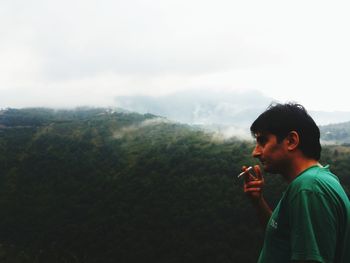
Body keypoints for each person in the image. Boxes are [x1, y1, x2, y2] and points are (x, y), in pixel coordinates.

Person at [242, 103, 350, 263]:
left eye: (263, 141)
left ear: (291, 141)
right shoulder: (318, 181)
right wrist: (258, 201)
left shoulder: (309, 188)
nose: (255, 152)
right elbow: (281, 236)